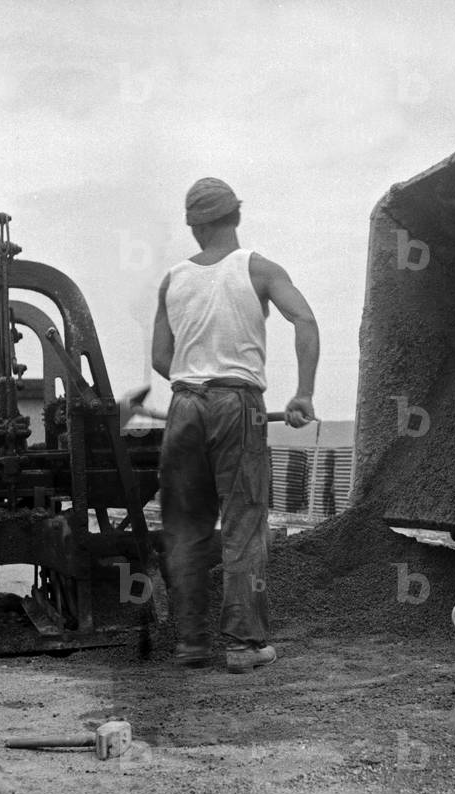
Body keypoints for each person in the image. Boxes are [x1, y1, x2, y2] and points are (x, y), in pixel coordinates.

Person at [152, 178, 319, 672]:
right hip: (237, 403)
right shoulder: (260, 269)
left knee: (185, 527)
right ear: (236, 217)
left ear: (193, 226)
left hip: (184, 407)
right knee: (243, 525)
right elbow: (305, 320)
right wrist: (303, 393)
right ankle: (245, 646)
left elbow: (163, 358)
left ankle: (191, 645)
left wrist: (195, 382)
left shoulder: (173, 279)